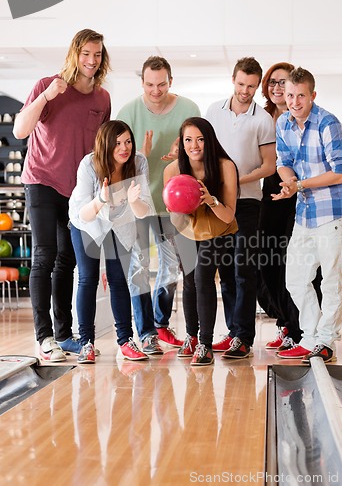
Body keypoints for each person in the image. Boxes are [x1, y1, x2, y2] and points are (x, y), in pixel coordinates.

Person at [13, 28, 111, 362]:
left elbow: (100, 148)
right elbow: (20, 130)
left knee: (66, 261)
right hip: (41, 179)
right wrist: (45, 98)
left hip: (77, 191)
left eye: (97, 55)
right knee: (45, 255)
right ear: (74, 54)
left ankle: (62, 334)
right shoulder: (47, 85)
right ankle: (43, 338)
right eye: (86, 54)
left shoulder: (102, 98)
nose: (91, 61)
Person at [117, 56, 201, 355]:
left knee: (171, 267)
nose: (156, 90)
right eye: (150, 84)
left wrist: (184, 153)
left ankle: (160, 322)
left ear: (171, 81)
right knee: (139, 267)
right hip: (137, 201)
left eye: (161, 84)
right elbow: (117, 158)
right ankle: (146, 332)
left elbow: (198, 151)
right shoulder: (128, 112)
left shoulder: (189, 109)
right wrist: (141, 153)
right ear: (142, 82)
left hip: (171, 204)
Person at [272, 67, 342, 363]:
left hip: (332, 213)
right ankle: (310, 336)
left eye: (301, 96)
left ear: (312, 95)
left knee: (331, 281)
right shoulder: (283, 123)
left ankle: (326, 340)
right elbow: (284, 161)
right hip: (305, 213)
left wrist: (300, 184)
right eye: (290, 95)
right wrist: (288, 181)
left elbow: (341, 173)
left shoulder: (327, 123)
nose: (294, 102)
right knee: (295, 278)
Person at [205, 57, 276, 358]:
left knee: (243, 269)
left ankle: (245, 337)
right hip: (218, 204)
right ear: (232, 80)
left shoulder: (263, 120)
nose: (245, 90)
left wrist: (235, 180)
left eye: (251, 86)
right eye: (241, 84)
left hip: (247, 202)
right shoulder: (212, 112)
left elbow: (269, 166)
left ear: (257, 85)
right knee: (224, 269)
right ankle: (233, 331)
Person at [68, 120, 153, 363]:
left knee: (118, 279)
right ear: (106, 144)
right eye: (117, 143)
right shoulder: (89, 163)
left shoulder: (138, 162)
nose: (124, 148)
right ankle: (86, 344)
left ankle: (126, 341)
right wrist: (101, 200)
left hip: (121, 222)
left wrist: (134, 199)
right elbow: (84, 213)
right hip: (88, 220)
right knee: (87, 278)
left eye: (127, 141)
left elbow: (142, 210)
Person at [257, 62, 323, 351]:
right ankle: (285, 321)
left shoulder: (304, 117)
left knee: (295, 262)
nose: (277, 88)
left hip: (300, 194)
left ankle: (300, 329)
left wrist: (295, 185)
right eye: (272, 82)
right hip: (271, 193)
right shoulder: (262, 117)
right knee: (267, 260)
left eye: (282, 82)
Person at [164, 117, 239, 365]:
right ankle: (191, 337)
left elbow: (228, 214)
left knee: (202, 277)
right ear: (181, 143)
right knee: (189, 280)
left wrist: (209, 200)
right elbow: (174, 216)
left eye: (200, 139)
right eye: (188, 140)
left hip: (218, 227)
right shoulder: (172, 170)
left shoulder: (225, 166)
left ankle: (205, 344)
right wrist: (178, 209)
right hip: (185, 229)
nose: (194, 145)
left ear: (209, 140)